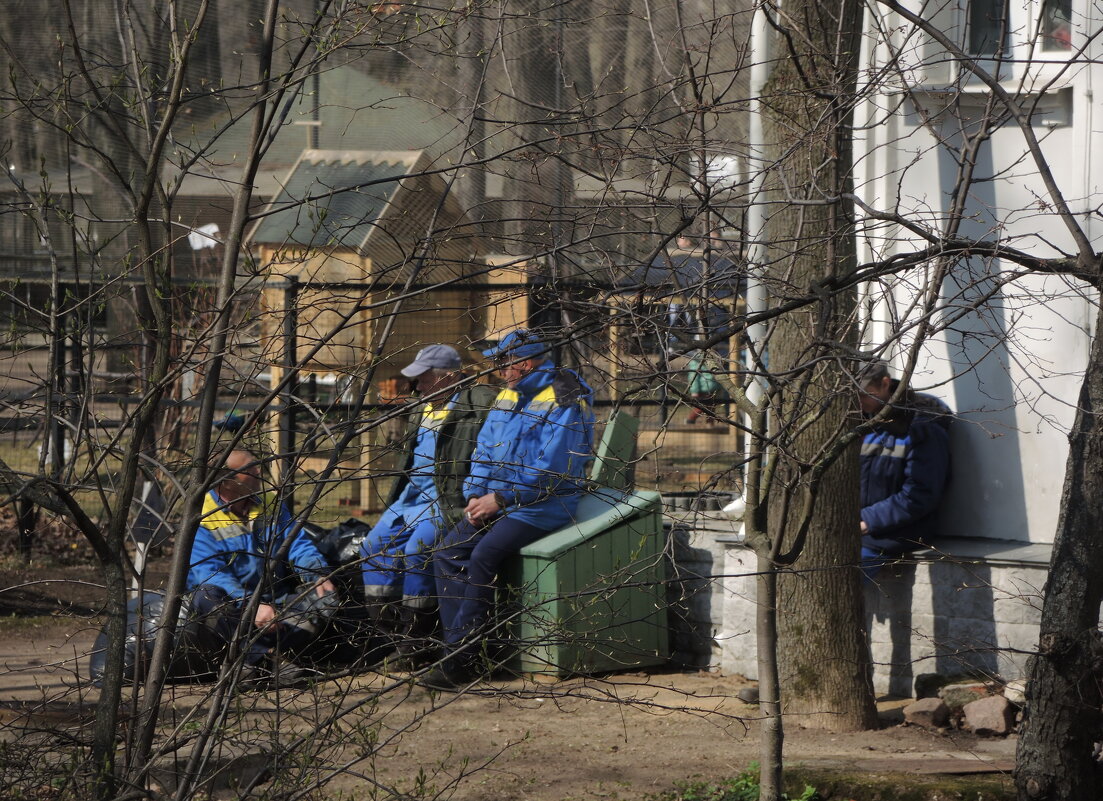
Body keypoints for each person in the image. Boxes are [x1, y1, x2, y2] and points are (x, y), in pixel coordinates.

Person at [425, 329, 595, 689]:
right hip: (500, 502)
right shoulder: (509, 393)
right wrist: (475, 493)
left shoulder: (565, 400)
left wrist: (501, 499)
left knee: (484, 554)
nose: (499, 370)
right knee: (446, 550)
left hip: (545, 505)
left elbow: (551, 468)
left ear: (524, 363)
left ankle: (461, 659)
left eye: (503, 362)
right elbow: (486, 447)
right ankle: (462, 648)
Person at [360, 344, 497, 664]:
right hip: (410, 498)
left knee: (417, 551)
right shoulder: (422, 407)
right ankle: (390, 636)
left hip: (445, 500)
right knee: (373, 547)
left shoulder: (474, 405)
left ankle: (418, 642)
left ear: (447, 377)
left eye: (423, 379)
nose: (416, 386)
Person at [186, 449, 336, 687]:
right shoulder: (201, 516)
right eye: (250, 469)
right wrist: (252, 605)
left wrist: (317, 573)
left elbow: (297, 544)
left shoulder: (271, 503)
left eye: (258, 465)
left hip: (274, 598)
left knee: (325, 597)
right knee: (207, 595)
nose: (259, 471)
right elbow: (212, 574)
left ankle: (253, 662)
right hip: (231, 605)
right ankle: (265, 659)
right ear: (227, 481)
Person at [858, 361, 952, 578]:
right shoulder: (863, 418)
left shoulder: (922, 425)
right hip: (861, 528)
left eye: (865, 394)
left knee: (841, 580)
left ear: (885, 384)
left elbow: (920, 493)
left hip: (894, 532)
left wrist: (867, 521)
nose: (859, 402)